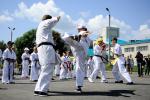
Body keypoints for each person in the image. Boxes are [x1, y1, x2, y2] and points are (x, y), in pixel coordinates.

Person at [34, 15, 61, 96]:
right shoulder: (45, 22)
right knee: (48, 68)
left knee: (44, 68)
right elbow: (57, 18)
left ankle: (38, 89)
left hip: (42, 48)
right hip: (46, 47)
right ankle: (43, 90)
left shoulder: (41, 26)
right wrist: (54, 17)